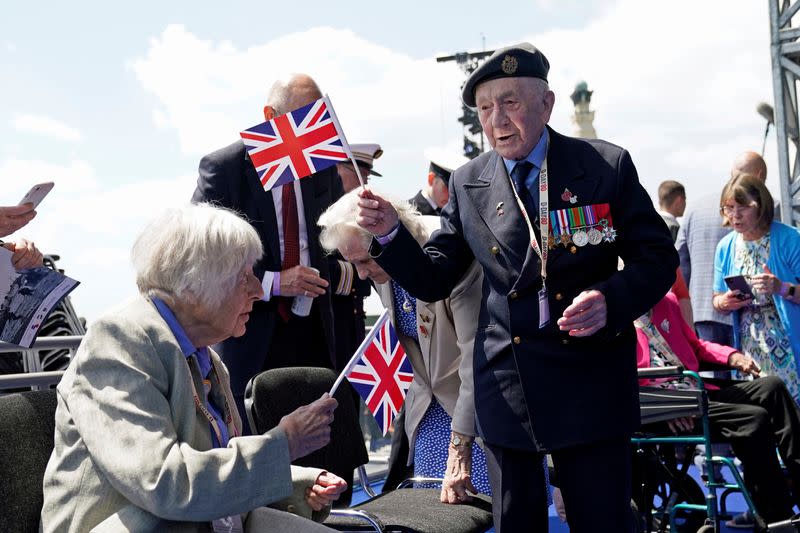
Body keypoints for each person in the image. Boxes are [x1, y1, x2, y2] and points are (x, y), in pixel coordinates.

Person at [356, 43, 678, 532]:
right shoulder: (468, 182)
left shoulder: (604, 165)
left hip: (587, 382)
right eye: (485, 109)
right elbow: (434, 276)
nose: (496, 120)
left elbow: (657, 259)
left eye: (509, 103)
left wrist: (611, 299)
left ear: (545, 104)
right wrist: (389, 234)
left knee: (602, 521)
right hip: (509, 387)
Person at [40, 204, 346, 532]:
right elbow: (163, 482)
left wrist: (295, 479)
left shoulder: (202, 353)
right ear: (192, 285)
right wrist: (283, 445)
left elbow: (207, 455)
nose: (258, 291)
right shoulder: (118, 342)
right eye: (244, 277)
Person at [192, 73, 355, 430]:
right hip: (250, 336)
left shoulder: (322, 168)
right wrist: (276, 282)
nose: (314, 132)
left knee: (323, 455)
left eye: (319, 119)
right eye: (304, 120)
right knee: (259, 457)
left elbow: (334, 241)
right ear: (270, 116)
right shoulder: (225, 170)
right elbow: (201, 257)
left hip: (315, 335)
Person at [319, 190, 492, 502]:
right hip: (428, 412)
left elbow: (475, 359)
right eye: (351, 263)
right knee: (433, 513)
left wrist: (462, 440)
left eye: (364, 261)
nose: (362, 274)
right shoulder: (380, 268)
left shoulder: (448, 256)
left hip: (476, 413)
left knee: (483, 510)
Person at [635, 291, 800, 524]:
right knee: (753, 419)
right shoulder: (612, 313)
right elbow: (616, 376)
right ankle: (776, 517)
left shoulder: (666, 302)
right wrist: (666, 405)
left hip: (695, 392)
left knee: (772, 387)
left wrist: (732, 357)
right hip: (659, 407)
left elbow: (695, 347)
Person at [712, 173, 800, 402]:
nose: (734, 215)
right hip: (750, 348)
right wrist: (724, 302)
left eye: (742, 207)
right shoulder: (726, 246)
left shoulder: (789, 239)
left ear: (761, 205)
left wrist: (782, 288)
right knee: (760, 414)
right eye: (728, 208)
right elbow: (717, 299)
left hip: (790, 345)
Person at [675, 151, 767, 346]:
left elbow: (680, 264)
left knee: (709, 376)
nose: (735, 215)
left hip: (702, 311)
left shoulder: (694, 207)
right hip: (753, 318)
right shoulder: (770, 208)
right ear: (759, 176)